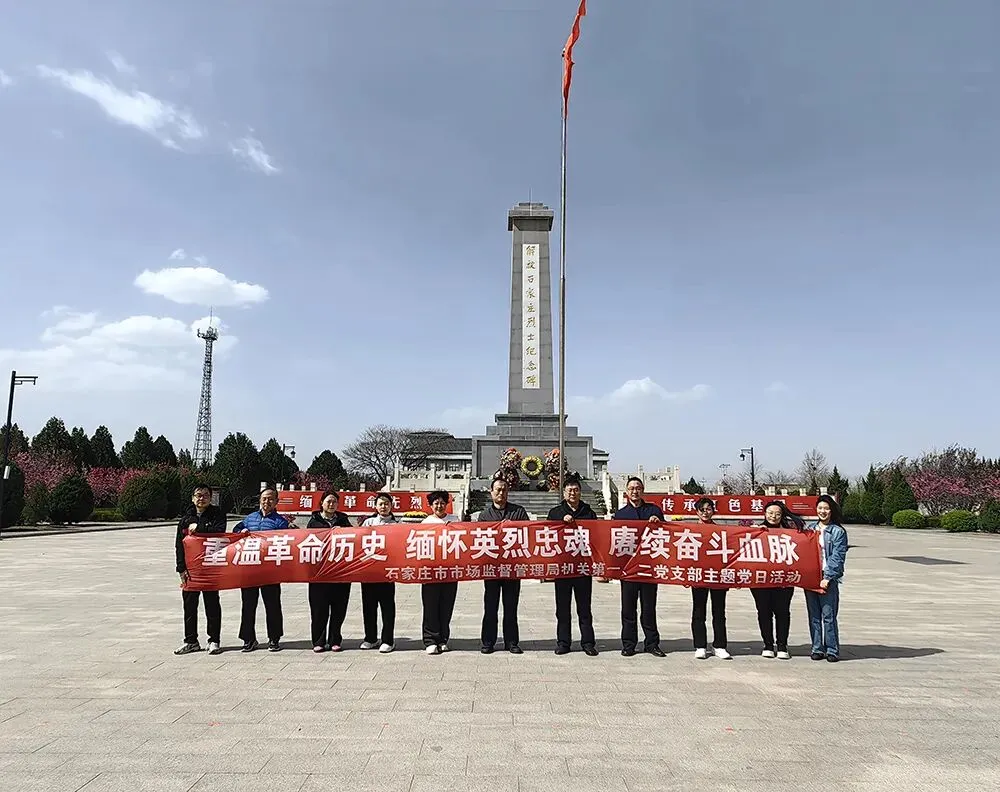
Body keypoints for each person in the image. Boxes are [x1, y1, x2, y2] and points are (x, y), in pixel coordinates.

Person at [233, 488, 291, 653]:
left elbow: (286, 540)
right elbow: (235, 531)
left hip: (270, 569)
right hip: (250, 568)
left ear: (276, 502)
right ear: (260, 499)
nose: (267, 502)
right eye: (264, 498)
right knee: (248, 605)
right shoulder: (250, 518)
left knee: (272, 605)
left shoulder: (280, 522)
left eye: (271, 499)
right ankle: (248, 639)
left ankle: (274, 638)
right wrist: (241, 532)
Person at [546, 473, 598, 656]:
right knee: (562, 609)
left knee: (584, 608)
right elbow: (547, 536)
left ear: (580, 492)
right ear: (564, 493)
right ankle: (563, 642)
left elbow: (597, 537)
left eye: (576, 490)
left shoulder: (589, 513)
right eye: (569, 490)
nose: (573, 493)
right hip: (562, 568)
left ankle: (588, 642)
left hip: (583, 568)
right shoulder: (555, 513)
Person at [613, 477, 666, 657]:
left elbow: (666, 534)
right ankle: (629, 644)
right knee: (628, 609)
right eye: (631, 488)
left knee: (649, 608)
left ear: (643, 490)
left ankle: (652, 643)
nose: (635, 491)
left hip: (649, 568)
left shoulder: (654, 510)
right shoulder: (620, 515)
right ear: (626, 492)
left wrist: (658, 523)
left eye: (638, 488)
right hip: (628, 569)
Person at [174, 483, 227, 656]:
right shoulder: (185, 519)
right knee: (189, 606)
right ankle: (191, 641)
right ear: (192, 498)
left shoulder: (218, 515)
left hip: (210, 568)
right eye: (198, 495)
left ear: (210, 498)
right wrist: (181, 568)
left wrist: (199, 528)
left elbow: (218, 533)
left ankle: (214, 640)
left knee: (212, 605)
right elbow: (179, 545)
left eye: (205, 495)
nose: (201, 498)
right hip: (191, 570)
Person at [479, 475, 530, 654]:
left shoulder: (519, 512)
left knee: (511, 606)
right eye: (498, 490)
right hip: (492, 569)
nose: (501, 493)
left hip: (512, 568)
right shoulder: (484, 515)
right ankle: (488, 642)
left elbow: (528, 534)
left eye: (504, 490)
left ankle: (512, 642)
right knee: (490, 606)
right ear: (491, 492)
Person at [750, 500, 802, 659]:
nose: (773, 516)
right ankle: (767, 644)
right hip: (761, 579)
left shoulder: (790, 533)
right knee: (764, 611)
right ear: (764, 514)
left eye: (777, 514)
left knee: (782, 612)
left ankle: (782, 645)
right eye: (770, 513)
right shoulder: (756, 531)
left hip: (783, 579)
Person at [804, 494, 849, 662]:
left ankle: (832, 650)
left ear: (831, 511)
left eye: (826, 508)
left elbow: (838, 557)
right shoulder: (810, 529)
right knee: (814, 615)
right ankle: (817, 648)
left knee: (828, 615)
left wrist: (828, 577)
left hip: (827, 577)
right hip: (811, 576)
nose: (822, 511)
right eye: (820, 508)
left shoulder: (838, 531)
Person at [306, 491, 352, 653]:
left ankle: (335, 640)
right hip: (319, 573)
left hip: (340, 572)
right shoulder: (314, 522)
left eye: (334, 502)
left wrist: (343, 532)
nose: (331, 504)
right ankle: (318, 640)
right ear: (322, 503)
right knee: (319, 609)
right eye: (328, 501)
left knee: (339, 609)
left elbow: (353, 540)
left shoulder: (344, 521)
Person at [690, 498, 731, 660]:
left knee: (719, 611)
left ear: (713, 511)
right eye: (702, 509)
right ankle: (700, 645)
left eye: (708, 509)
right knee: (698, 610)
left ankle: (719, 645)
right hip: (698, 575)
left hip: (718, 576)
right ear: (696, 512)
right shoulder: (690, 531)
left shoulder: (720, 530)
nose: (705, 512)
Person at [421, 490, 460, 655]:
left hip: (450, 570)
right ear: (431, 505)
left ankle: (443, 639)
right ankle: (430, 640)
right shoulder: (425, 523)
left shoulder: (455, 520)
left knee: (446, 605)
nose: (439, 506)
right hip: (430, 570)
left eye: (442, 503)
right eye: (436, 503)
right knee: (430, 605)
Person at [360, 493, 398, 653]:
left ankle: (388, 640)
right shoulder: (368, 523)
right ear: (375, 506)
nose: (384, 507)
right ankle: (370, 638)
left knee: (387, 607)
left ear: (391, 506)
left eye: (387, 503)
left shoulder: (397, 525)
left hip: (387, 572)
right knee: (369, 606)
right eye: (381, 504)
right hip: (369, 571)